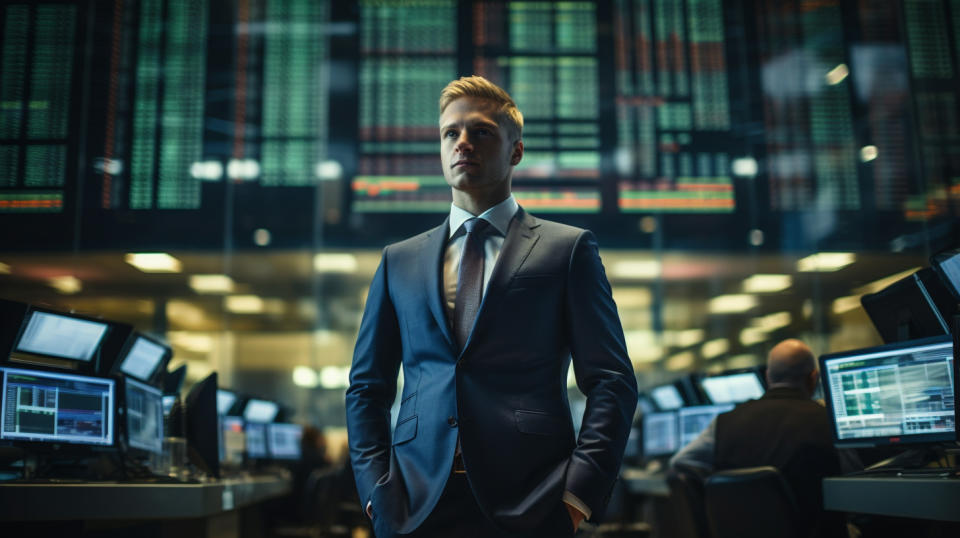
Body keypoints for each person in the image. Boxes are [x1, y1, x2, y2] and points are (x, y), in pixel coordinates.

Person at [345, 75, 638, 538]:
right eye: (450, 133)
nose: (462, 142)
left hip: (534, 500)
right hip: (413, 502)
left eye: (480, 131)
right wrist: (375, 492)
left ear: (515, 150)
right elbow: (366, 388)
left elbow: (612, 381)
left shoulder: (567, 249)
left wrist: (577, 495)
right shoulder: (398, 260)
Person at [669, 338, 850, 538]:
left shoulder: (724, 422)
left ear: (768, 377)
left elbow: (680, 462)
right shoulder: (827, 419)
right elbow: (854, 475)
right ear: (813, 378)